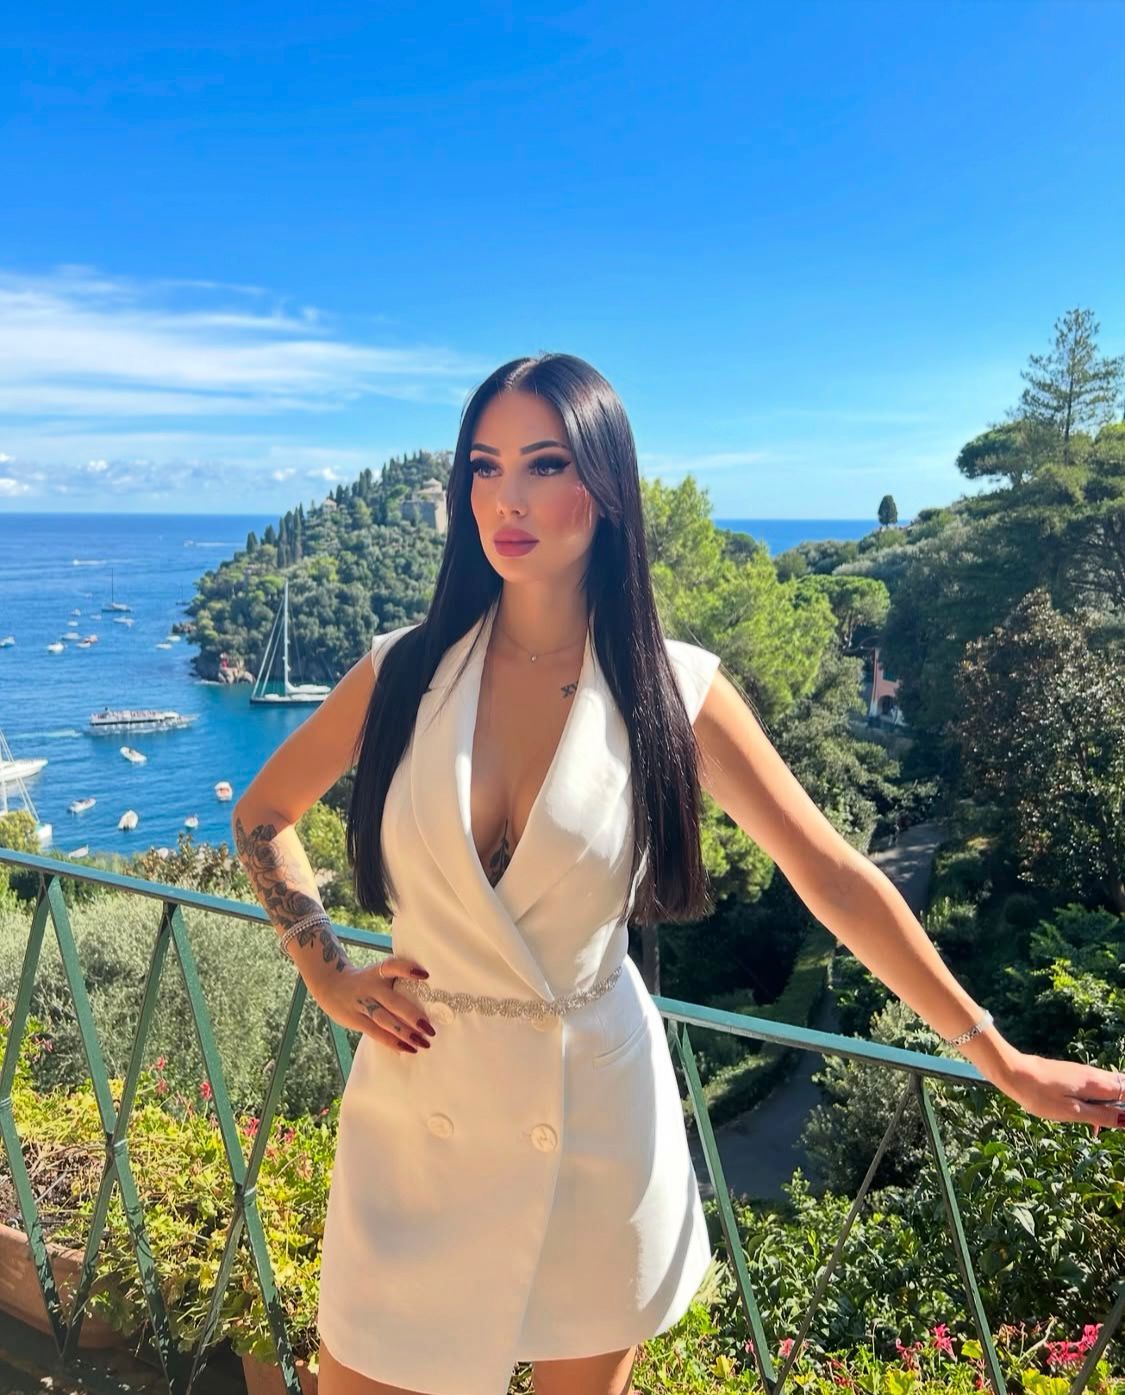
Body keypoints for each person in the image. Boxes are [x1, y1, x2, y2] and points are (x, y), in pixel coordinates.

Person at [232, 354, 1125, 1395]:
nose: (505, 498)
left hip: (594, 1116)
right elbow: (263, 814)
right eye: (483, 466)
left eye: (544, 464)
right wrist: (323, 967)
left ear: (605, 487)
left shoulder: (672, 686)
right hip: (418, 1107)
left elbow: (831, 874)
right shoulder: (402, 669)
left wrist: (998, 1057)